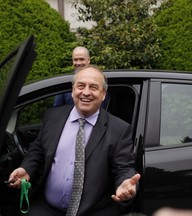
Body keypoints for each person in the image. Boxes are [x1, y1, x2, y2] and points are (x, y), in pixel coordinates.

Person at [8, 64, 141, 216]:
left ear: (103, 94)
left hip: (94, 211)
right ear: (73, 90)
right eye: (81, 86)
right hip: (46, 208)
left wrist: (124, 183)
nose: (86, 92)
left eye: (93, 87)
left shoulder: (119, 129)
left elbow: (123, 168)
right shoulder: (53, 116)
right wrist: (27, 169)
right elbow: (37, 151)